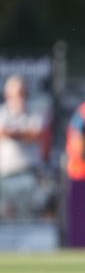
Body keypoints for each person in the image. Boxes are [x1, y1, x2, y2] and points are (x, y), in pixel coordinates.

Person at [0, 75, 48, 217]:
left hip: (29, 171)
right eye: (16, 94)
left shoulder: (35, 111)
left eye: (22, 93)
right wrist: (22, 133)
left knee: (28, 212)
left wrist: (12, 133)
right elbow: (2, 133)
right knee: (6, 214)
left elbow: (35, 135)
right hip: (6, 172)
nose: (20, 97)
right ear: (8, 95)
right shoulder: (2, 112)